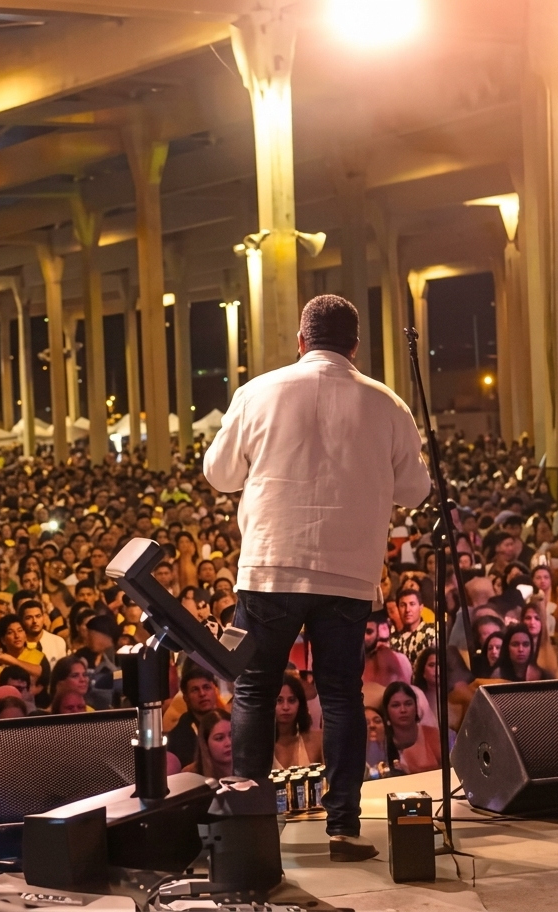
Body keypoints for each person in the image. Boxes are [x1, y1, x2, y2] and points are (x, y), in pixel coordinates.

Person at [203, 294, 431, 860]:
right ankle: (344, 828)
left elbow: (220, 474)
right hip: (348, 574)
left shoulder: (257, 392)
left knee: (254, 689)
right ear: (355, 347)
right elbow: (415, 490)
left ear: (301, 341)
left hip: (271, 565)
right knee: (341, 696)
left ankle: (252, 828)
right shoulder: (388, 403)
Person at [166, 664, 222, 768]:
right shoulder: (180, 735)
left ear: (215, 691)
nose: (202, 694)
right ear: (186, 698)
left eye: (206, 687)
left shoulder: (226, 722)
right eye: (195, 690)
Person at [381, 682, 442, 775]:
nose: (403, 710)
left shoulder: (433, 734)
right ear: (386, 710)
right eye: (396, 705)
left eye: (408, 704)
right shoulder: (380, 740)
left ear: (416, 707)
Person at [274, 674, 324, 769]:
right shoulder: (257, 744)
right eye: (279, 700)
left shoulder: (317, 740)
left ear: (300, 704)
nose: (285, 707)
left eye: (291, 700)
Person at [389, 590, 435, 668]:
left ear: (421, 607)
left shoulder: (432, 634)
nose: (407, 610)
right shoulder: (392, 639)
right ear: (398, 609)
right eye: (403, 605)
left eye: (412, 604)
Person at [184, 708, 233, 779]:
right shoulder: (191, 777)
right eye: (219, 738)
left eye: (232, 735)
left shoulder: (249, 768)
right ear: (205, 743)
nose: (228, 743)